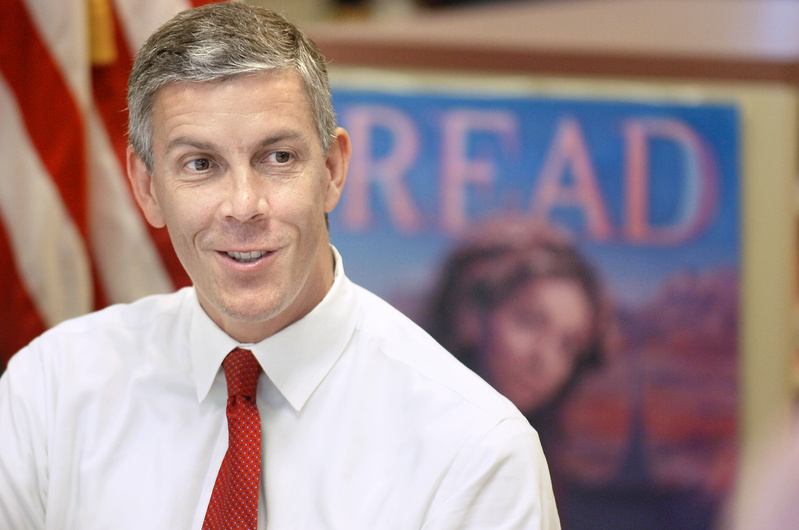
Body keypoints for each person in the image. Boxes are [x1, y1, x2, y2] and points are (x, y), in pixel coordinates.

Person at [0, 3, 559, 529]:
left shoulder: (475, 450)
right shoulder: (50, 393)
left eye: (278, 158)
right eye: (200, 164)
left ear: (333, 170)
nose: (243, 206)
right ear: (147, 189)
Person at [425, 216, 606, 457]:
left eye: (568, 345)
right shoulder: (402, 439)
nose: (543, 358)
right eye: (529, 322)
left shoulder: (542, 466)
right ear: (471, 314)